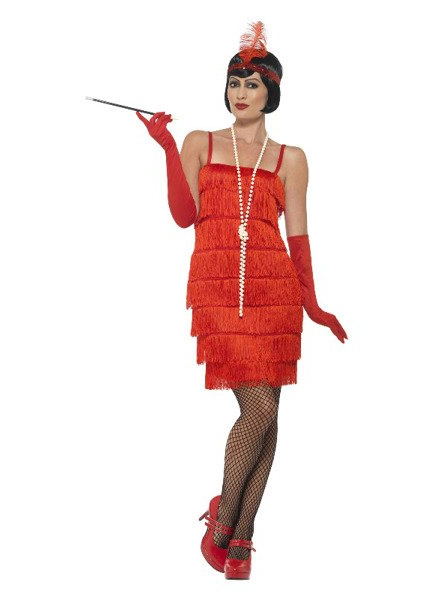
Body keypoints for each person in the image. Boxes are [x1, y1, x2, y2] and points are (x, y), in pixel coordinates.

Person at [136, 21, 347, 580]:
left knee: (269, 414)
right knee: (259, 410)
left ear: (271, 93)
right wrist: (166, 148)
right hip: (218, 289)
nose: (241, 92)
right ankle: (224, 523)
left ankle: (239, 541)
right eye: (235, 82)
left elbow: (298, 236)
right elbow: (184, 215)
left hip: (275, 293)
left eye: (253, 84)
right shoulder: (199, 143)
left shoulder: (290, 158)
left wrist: (313, 305)